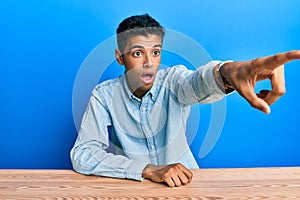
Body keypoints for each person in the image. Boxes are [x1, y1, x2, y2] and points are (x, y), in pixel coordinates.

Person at [70, 14, 300, 187]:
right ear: (120, 58)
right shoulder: (104, 95)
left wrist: (228, 73)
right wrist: (147, 170)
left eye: (156, 52)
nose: (149, 62)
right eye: (138, 53)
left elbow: (197, 83)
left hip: (186, 187)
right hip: (133, 187)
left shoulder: (173, 81)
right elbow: (84, 154)